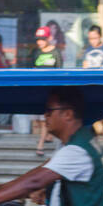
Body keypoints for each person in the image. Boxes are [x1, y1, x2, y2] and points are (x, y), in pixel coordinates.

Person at [32, 25, 63, 156]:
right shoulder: (36, 53)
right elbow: (31, 69)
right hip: (37, 89)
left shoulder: (55, 52)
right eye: (38, 39)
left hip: (51, 91)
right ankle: (48, 135)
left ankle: (40, 145)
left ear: (49, 38)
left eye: (43, 39)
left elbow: (60, 71)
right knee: (38, 119)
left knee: (45, 119)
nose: (40, 42)